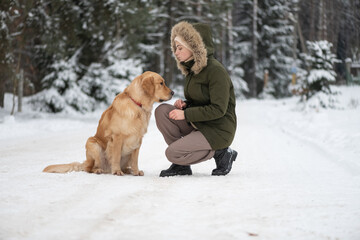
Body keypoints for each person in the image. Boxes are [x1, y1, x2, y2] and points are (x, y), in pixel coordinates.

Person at [155, 21, 237, 177]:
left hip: (217, 129)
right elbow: (201, 100)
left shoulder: (215, 71)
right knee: (162, 111)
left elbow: (218, 109)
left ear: (194, 47)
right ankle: (182, 165)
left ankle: (221, 152)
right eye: (175, 48)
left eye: (180, 48)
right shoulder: (192, 70)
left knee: (171, 153)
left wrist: (185, 115)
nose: (176, 53)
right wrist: (185, 105)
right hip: (200, 123)